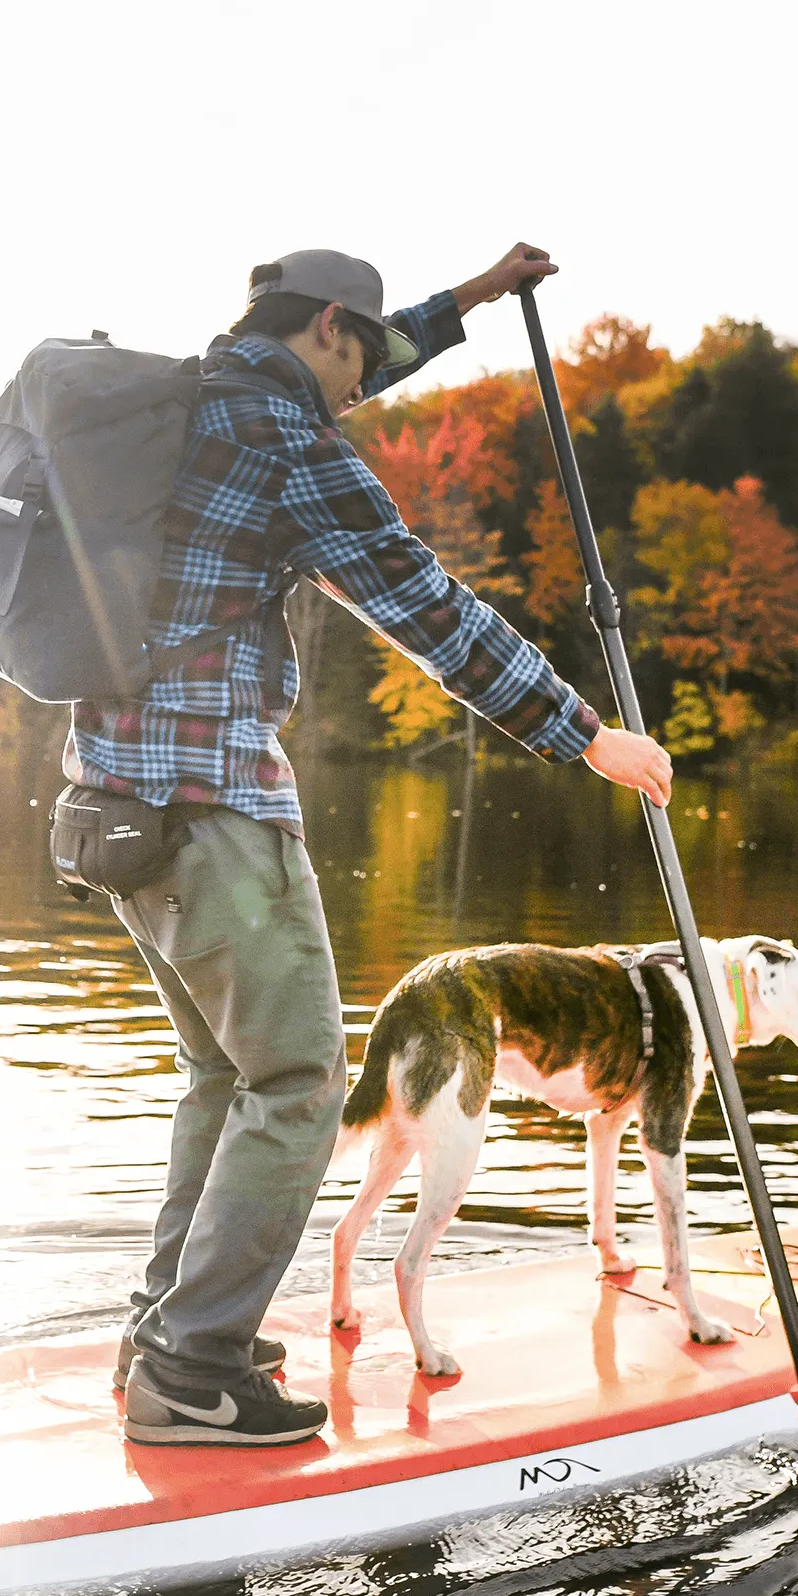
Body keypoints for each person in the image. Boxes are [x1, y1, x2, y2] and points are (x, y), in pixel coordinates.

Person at [70, 242, 673, 1447]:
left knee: (223, 1077)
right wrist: (586, 734)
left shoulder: (203, 397)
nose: (362, 390)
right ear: (332, 324)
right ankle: (192, 1370)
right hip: (215, 804)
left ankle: (168, 1336)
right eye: (362, 354)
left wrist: (473, 300)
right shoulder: (289, 442)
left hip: (110, 801)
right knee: (294, 1085)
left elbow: (344, 375)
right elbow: (421, 601)